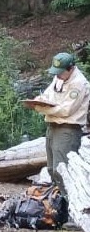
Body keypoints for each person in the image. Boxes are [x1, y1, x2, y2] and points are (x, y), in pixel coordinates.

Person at [25, 52, 90, 197]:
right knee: (51, 169)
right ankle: (56, 203)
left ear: (71, 68)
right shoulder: (59, 78)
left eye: (61, 72)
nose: (58, 75)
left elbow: (67, 110)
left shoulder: (79, 83)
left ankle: (69, 204)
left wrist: (41, 108)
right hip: (52, 126)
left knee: (62, 169)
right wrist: (38, 100)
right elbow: (48, 95)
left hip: (68, 129)